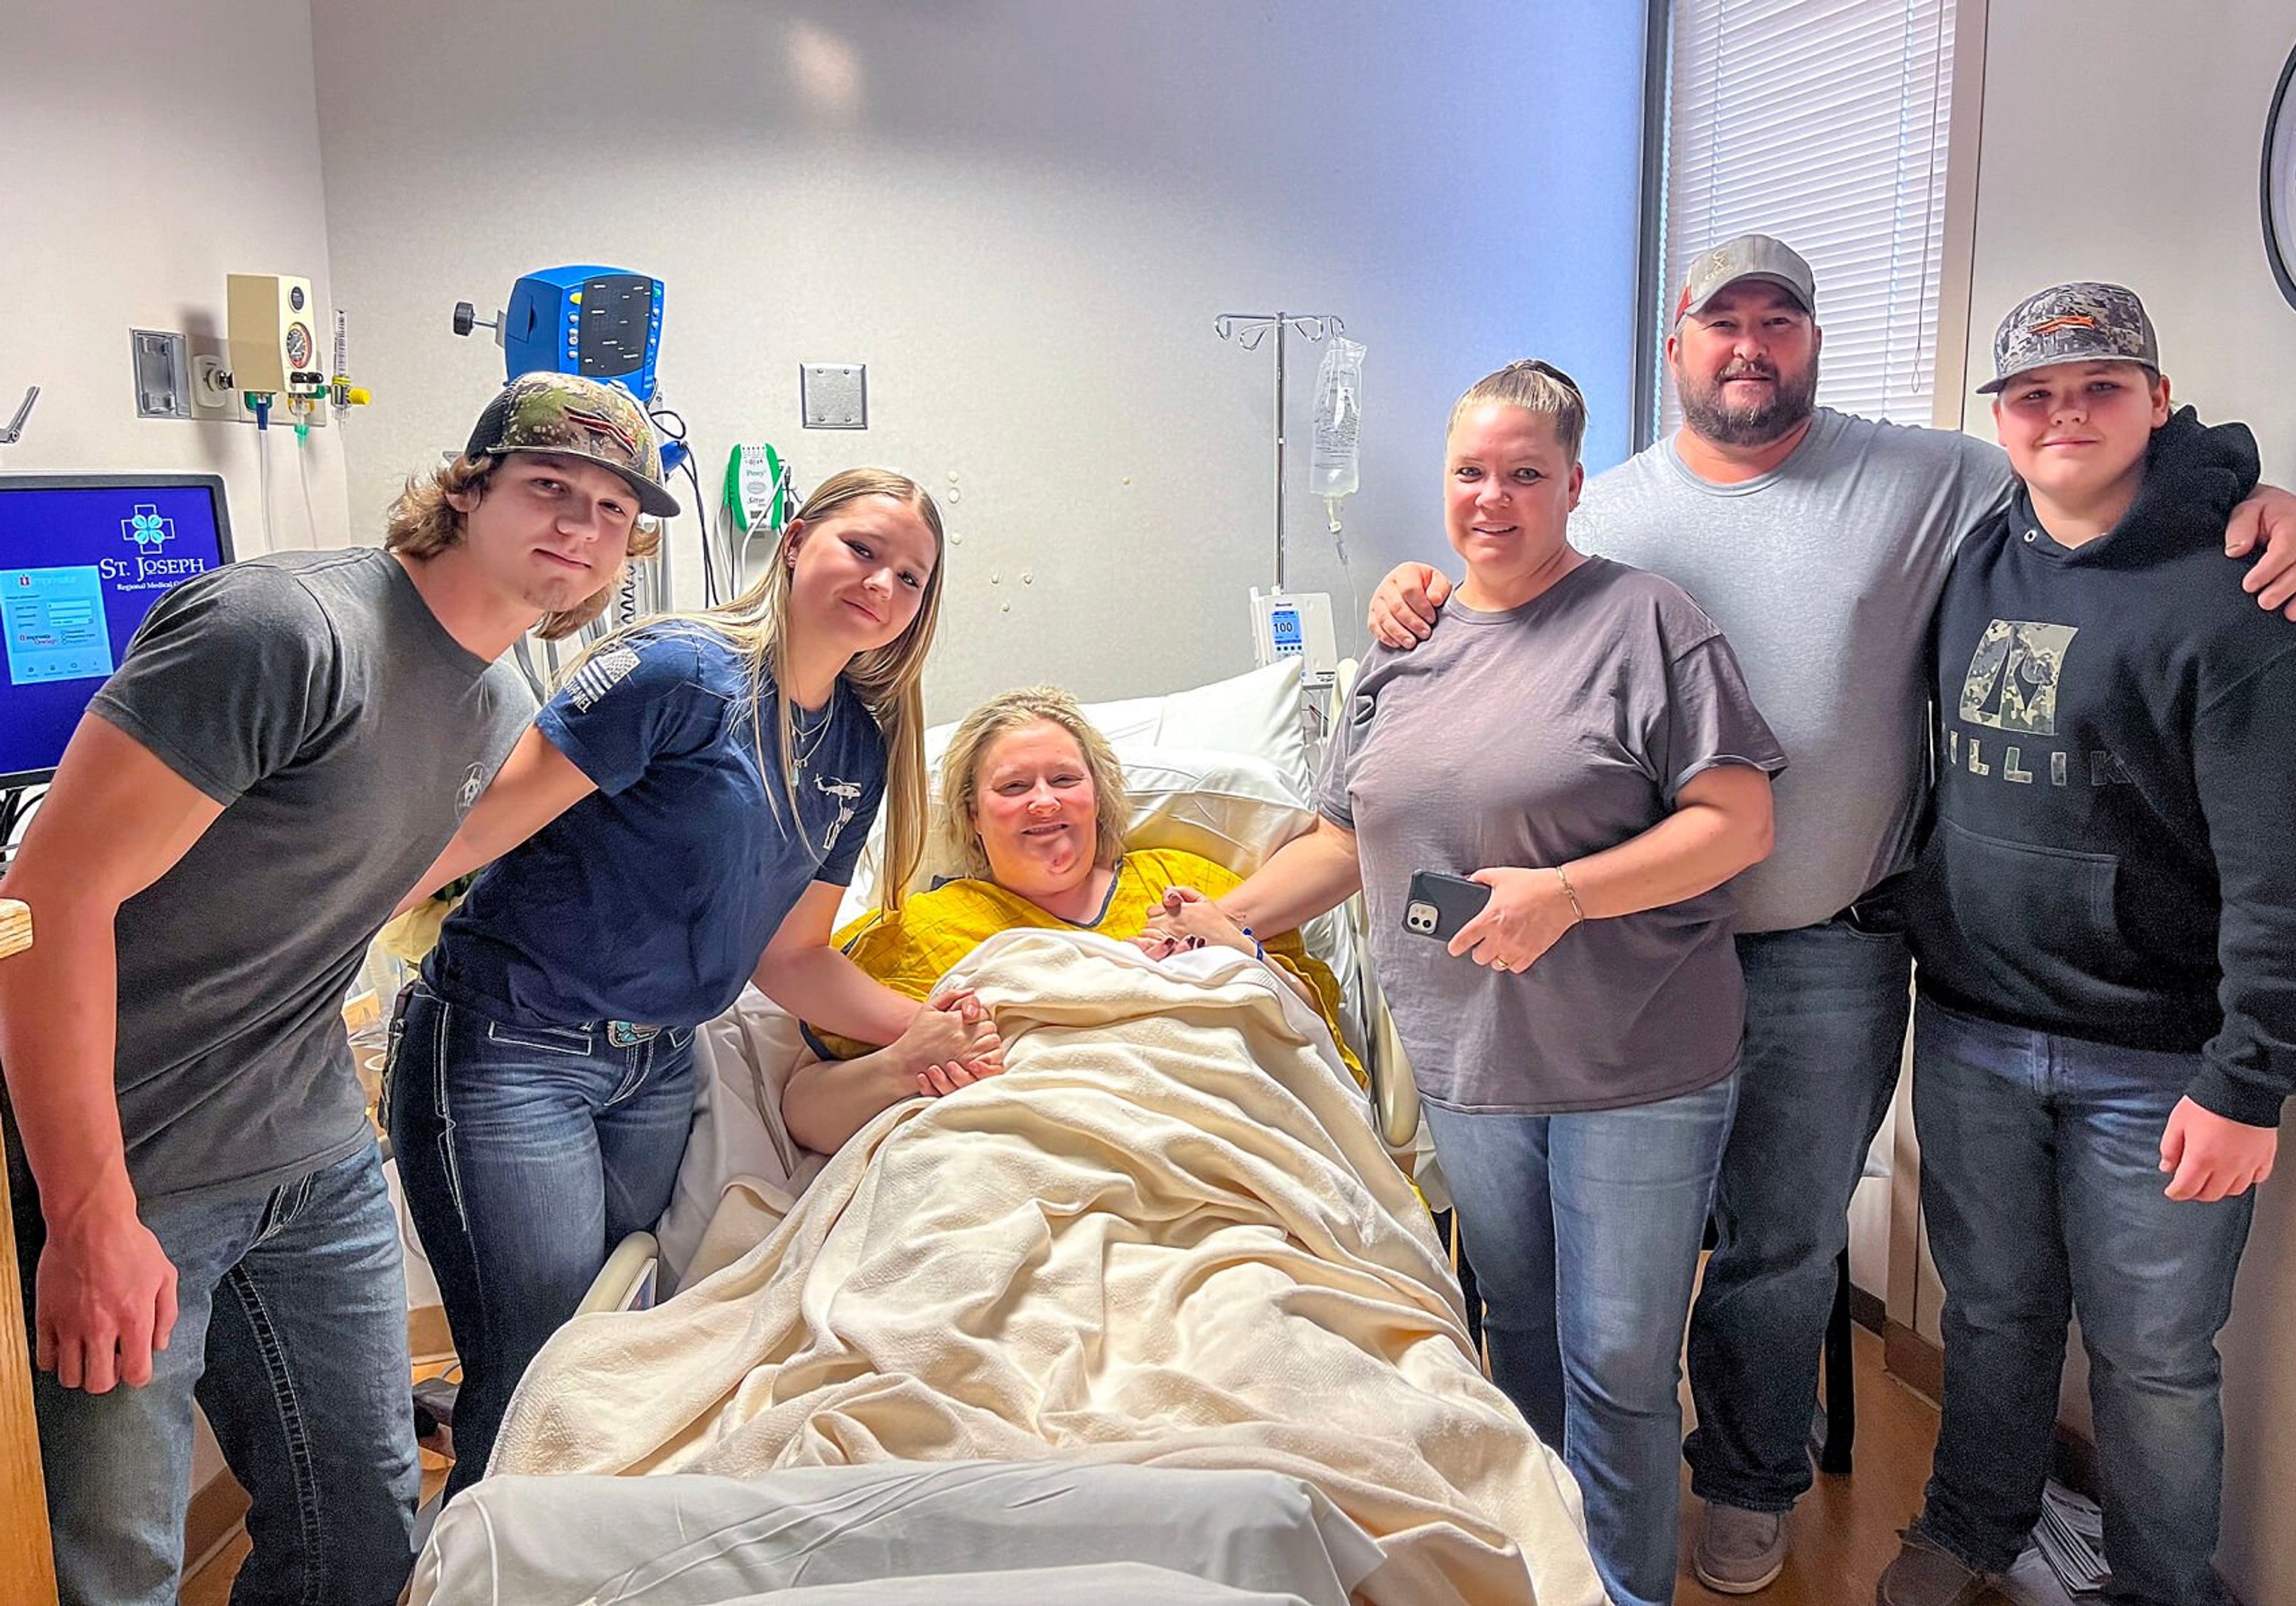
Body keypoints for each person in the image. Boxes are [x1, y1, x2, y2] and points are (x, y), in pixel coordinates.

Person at [1361, 236, 2296, 1594]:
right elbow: (1500, 583)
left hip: (1831, 940)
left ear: (1814, 339)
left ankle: (1750, 1479)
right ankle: (1564, 1506)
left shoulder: (1935, 477)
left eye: (1782, 319)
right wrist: (1410, 590)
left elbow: (2107, 480)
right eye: (1721, 321)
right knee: (1608, 1274)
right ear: (1677, 343)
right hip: (1624, 949)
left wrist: (2263, 493)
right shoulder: (1613, 505)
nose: (1751, 344)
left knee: (1786, 1236)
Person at [0, 372, 668, 1605]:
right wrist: (91, 1215)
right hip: (128, 1154)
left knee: (360, 1521)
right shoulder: (286, 632)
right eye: (548, 487)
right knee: (115, 1564)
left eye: (613, 513)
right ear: (467, 491)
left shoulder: (498, 694)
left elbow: (397, 853)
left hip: (308, 1155)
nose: (578, 525)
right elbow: (42, 907)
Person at [1149, 359, 1784, 1606]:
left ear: (1574, 485)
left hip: (1634, 1061)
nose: (1494, 498)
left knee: (1615, 1357)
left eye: (1525, 474)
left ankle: (1627, 1588)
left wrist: (1569, 892)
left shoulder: (1648, 623)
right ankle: (1548, 1569)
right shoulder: (1410, 637)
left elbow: (1739, 820)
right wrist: (1231, 917)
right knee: (1520, 1337)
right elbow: (1348, 838)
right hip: (1470, 1059)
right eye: (1471, 473)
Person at [385, 464, 992, 1499]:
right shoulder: (674, 674)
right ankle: (481, 1565)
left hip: (657, 1070)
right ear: (794, 539)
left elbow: (791, 958)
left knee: (627, 1346)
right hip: (512, 1045)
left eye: (911, 578)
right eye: (863, 549)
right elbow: (468, 833)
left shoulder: (856, 741)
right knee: (537, 1366)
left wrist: (939, 1034)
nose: (883, 585)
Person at [1878, 284, 2296, 1606]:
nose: (2065, 414)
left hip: (2165, 1062)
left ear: (2159, 402)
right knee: (1995, 1316)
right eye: (2035, 394)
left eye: (2101, 388)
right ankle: (1975, 1521)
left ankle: (2161, 1583)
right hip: (1969, 1026)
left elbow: (2290, 866)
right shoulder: (1970, 549)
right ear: (2002, 421)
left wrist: (2253, 1078)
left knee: (2154, 1358)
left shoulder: (2244, 595)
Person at [781, 684, 1357, 1155]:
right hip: (1008, 1174)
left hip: (1219, 1152)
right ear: (971, 815)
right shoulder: (917, 932)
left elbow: (1317, 1051)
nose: (1044, 802)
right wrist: (902, 1066)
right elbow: (805, 1111)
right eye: (1012, 787)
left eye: (1064, 780)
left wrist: (1244, 952)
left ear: (1099, 798)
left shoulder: (1190, 884)